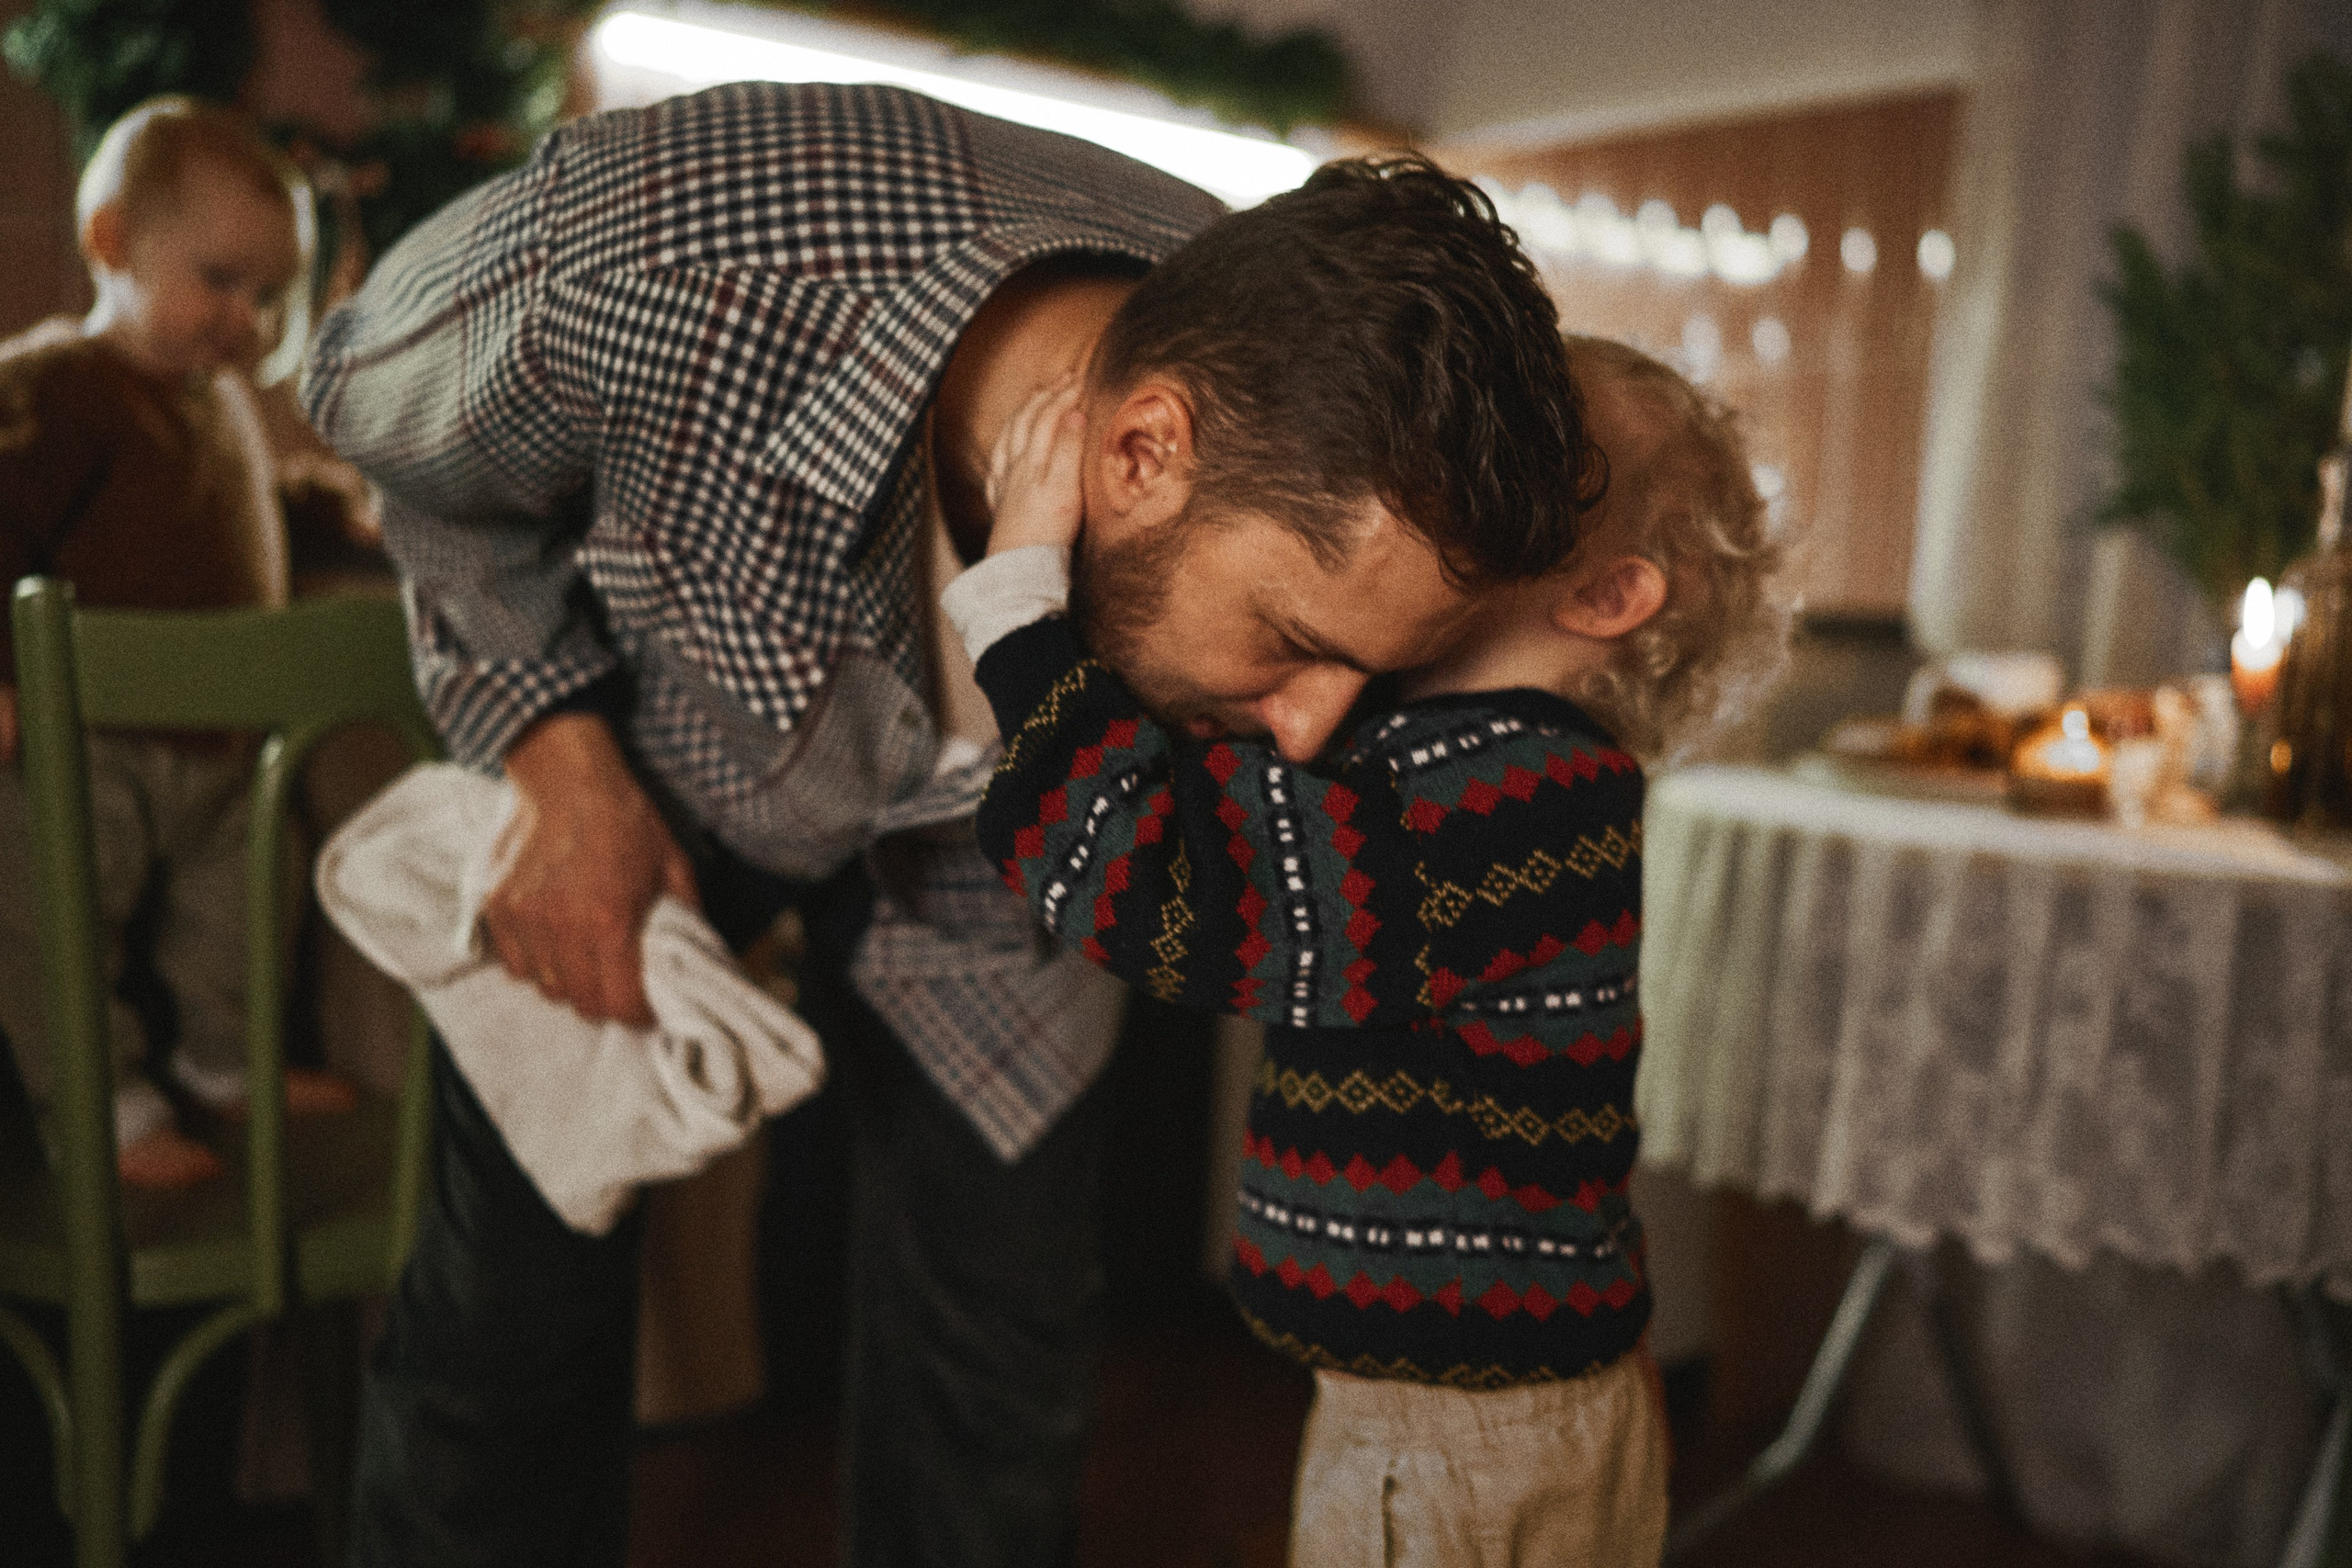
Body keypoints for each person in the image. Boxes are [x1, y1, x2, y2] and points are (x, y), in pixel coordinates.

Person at [301, 80, 1596, 1567]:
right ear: (1138, 452)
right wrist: (553, 744)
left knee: (1002, 1364)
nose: (1310, 732)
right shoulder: (664, 261)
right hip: (659, 748)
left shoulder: (1302, 370)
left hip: (997, 851)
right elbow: (361, 394)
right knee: (505, 1335)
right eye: (1294, 641)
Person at [954, 333, 1791, 1563]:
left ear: (1607, 594)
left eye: (1512, 462)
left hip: (1463, 1436)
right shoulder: (1445, 764)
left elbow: (1170, 876)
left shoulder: (1517, 789)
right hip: (1458, 1406)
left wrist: (1018, 603)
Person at [0, 96, 358, 1191]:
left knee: (252, 908)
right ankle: (101, 1104)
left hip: (223, 746)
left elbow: (237, 507)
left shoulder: (222, 404)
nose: (244, 319)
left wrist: (341, 517)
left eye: (266, 295)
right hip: (87, 746)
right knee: (55, 919)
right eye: (219, 281)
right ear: (113, 244)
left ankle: (227, 1056)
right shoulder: (56, 385)